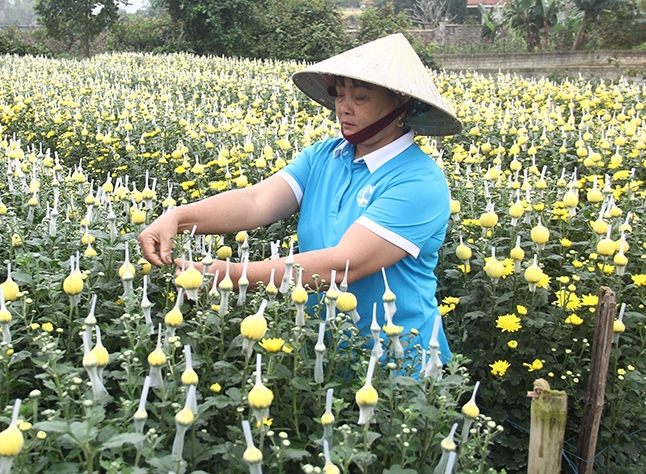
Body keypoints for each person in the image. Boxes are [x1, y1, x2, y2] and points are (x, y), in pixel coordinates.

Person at [138, 33, 461, 360]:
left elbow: (343, 266)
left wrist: (230, 276)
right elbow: (256, 201)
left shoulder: (419, 181)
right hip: (324, 351)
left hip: (399, 366)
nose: (343, 108)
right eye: (339, 94)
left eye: (360, 98)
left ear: (401, 104)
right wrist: (177, 218)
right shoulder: (324, 156)